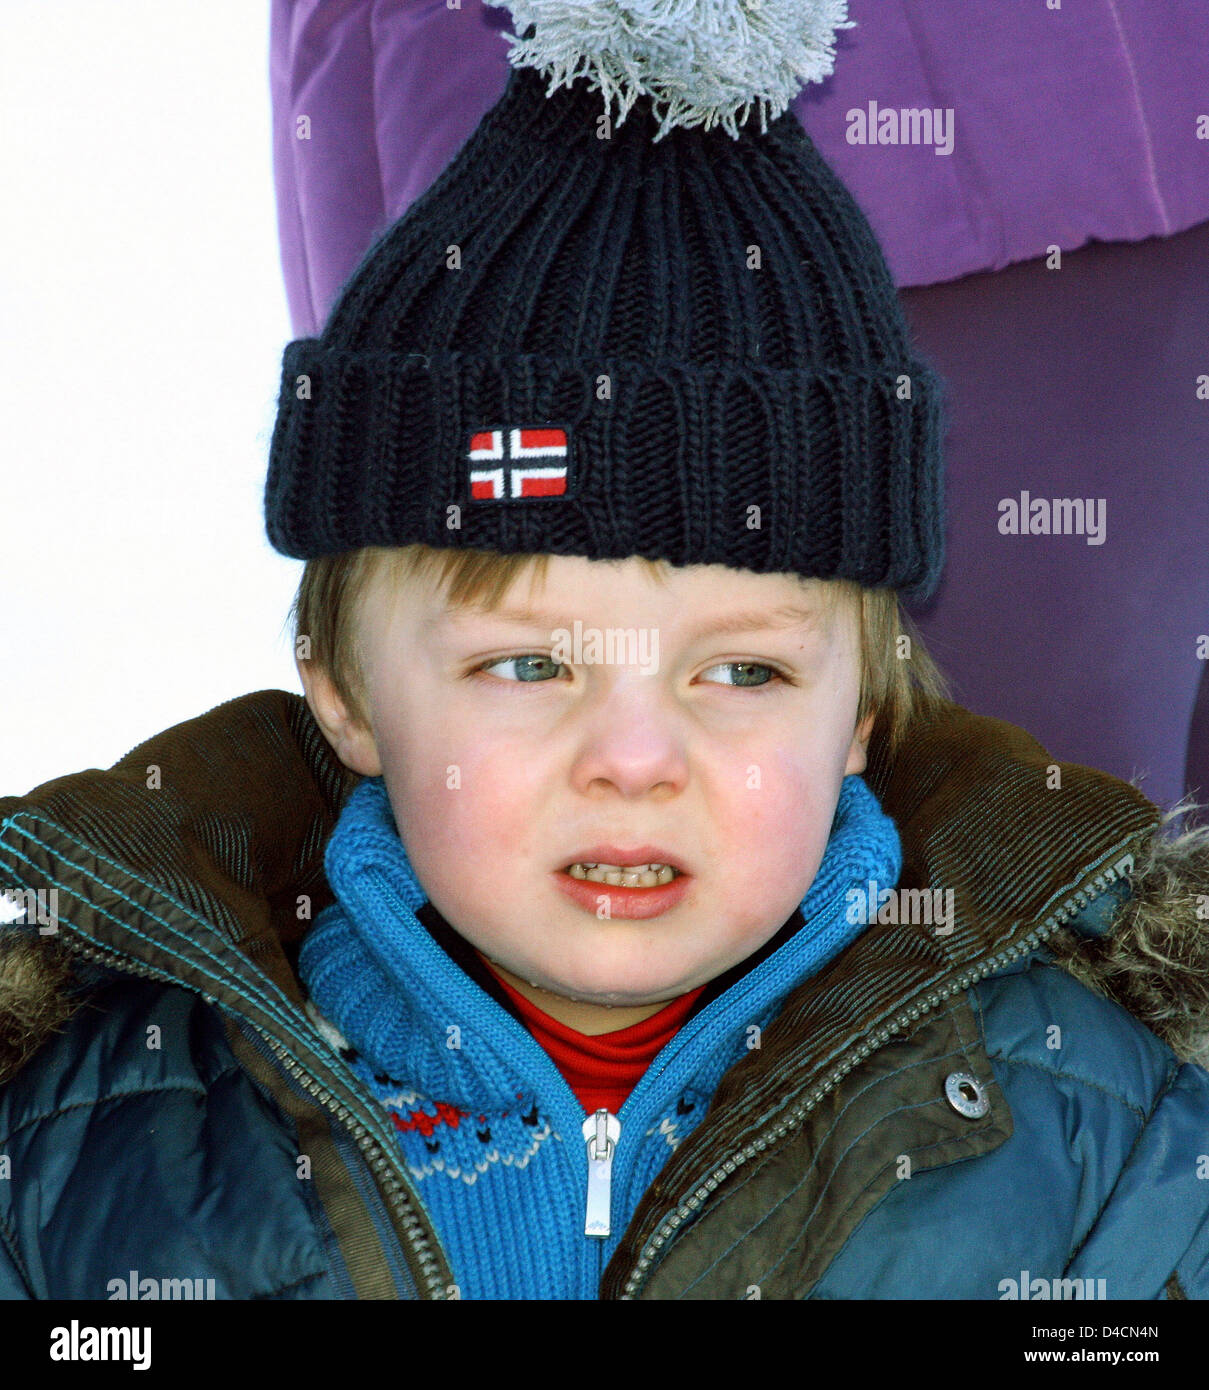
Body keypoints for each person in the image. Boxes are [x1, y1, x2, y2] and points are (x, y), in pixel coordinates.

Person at [1, 0, 1208, 1300]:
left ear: (866, 704)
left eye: (741, 671)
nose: (634, 760)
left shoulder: (1094, 1135)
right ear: (344, 689)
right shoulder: (91, 1149)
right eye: (529, 666)